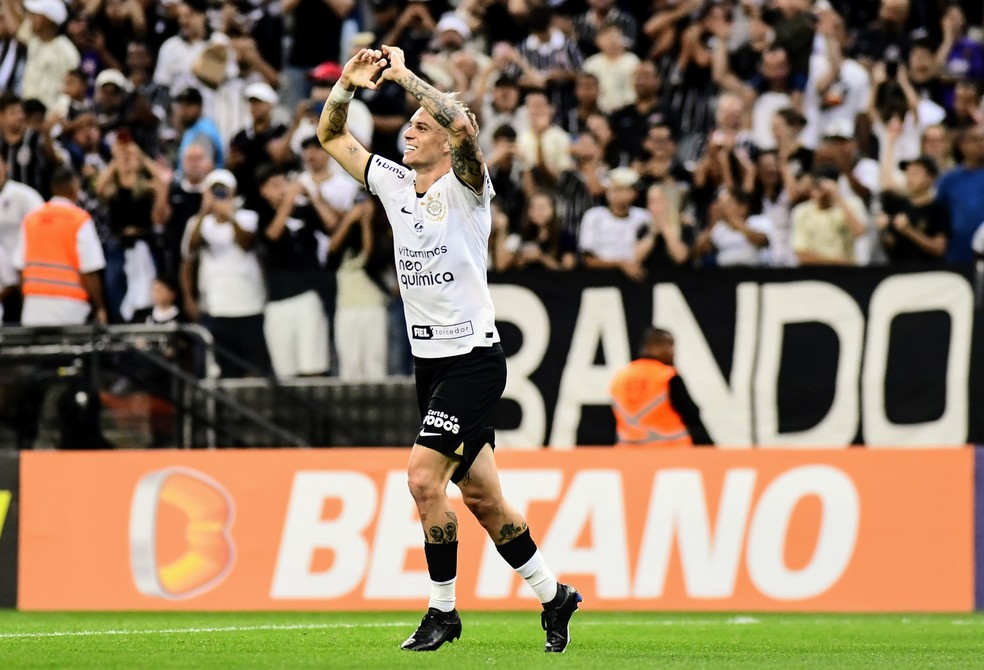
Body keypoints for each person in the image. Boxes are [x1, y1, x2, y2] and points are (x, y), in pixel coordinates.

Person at [317, 45, 581, 653]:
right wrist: (348, 85)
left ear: (443, 141)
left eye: (420, 126)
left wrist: (404, 75)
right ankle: (554, 595)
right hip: (430, 366)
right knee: (484, 497)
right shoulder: (392, 182)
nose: (409, 133)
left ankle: (443, 611)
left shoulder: (467, 187)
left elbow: (462, 123)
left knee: (421, 479)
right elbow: (331, 136)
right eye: (408, 126)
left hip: (473, 362)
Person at [14, 166, 107, 325]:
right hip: (70, 308)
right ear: (75, 187)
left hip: (33, 308)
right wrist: (100, 307)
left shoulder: (31, 219)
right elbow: (90, 269)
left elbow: (20, 268)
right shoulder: (79, 220)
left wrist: (27, 299)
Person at [609, 326, 713, 447]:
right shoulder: (667, 376)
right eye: (670, 346)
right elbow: (691, 414)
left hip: (628, 451)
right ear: (655, 347)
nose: (673, 353)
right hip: (670, 450)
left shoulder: (621, 377)